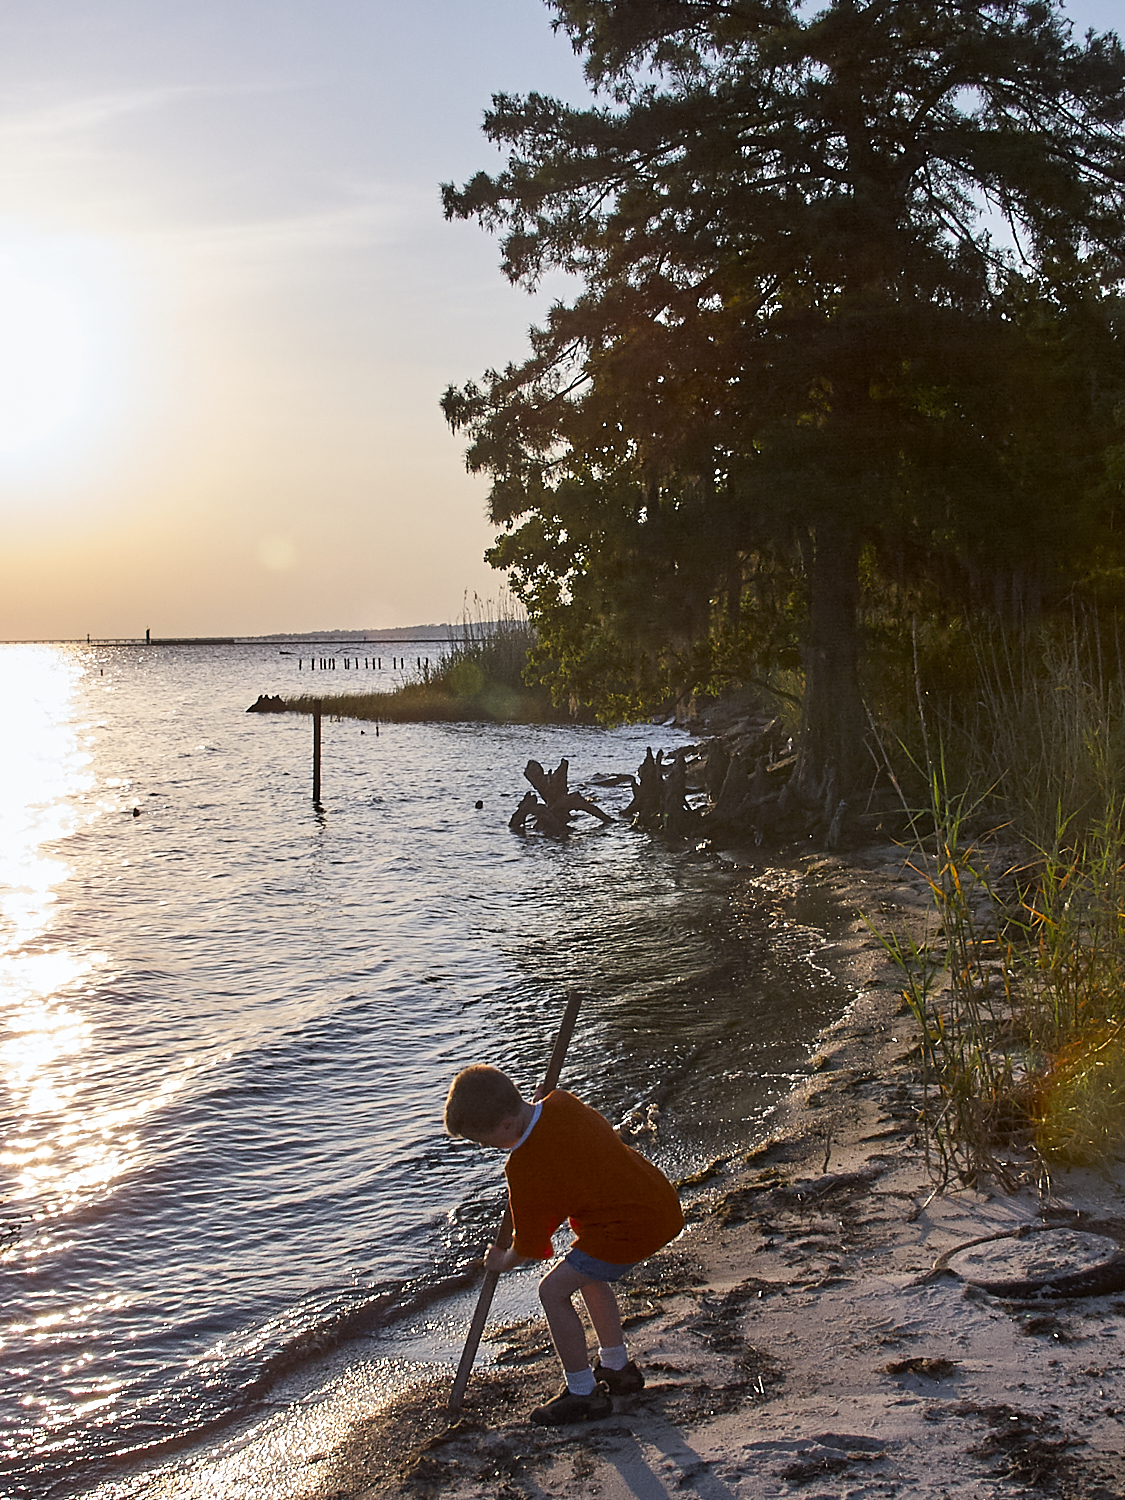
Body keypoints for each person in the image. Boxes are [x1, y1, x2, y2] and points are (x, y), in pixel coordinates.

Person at [444, 1063, 684, 1425]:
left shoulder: (524, 1167)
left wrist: (500, 1261)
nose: (487, 1148)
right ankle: (616, 1367)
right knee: (585, 1271)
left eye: (485, 1140)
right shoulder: (561, 1103)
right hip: (657, 1202)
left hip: (629, 1228)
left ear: (507, 1125)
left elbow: (527, 1247)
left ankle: (583, 1393)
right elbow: (555, 1134)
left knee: (552, 1291)